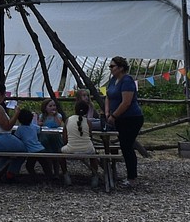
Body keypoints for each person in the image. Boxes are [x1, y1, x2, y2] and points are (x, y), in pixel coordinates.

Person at [105, 56, 144, 188]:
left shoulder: (127, 80)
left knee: (127, 147)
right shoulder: (113, 80)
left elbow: (126, 102)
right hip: (119, 118)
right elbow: (108, 96)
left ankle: (132, 177)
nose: (110, 69)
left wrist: (114, 115)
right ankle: (130, 176)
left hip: (131, 118)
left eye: (112, 66)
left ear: (121, 68)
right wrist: (107, 112)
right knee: (124, 146)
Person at [60, 98, 101, 187]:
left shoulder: (68, 120)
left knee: (59, 153)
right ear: (86, 111)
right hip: (87, 149)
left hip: (71, 149)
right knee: (93, 153)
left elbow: (65, 138)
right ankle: (94, 176)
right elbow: (90, 136)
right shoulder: (88, 122)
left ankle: (66, 175)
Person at [14, 108, 52, 176]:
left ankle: (34, 177)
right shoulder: (34, 127)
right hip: (40, 148)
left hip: (31, 151)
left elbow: (16, 138)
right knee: (46, 165)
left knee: (29, 166)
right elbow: (39, 130)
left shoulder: (20, 129)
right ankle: (50, 177)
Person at [37, 99, 65, 177]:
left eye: (54, 105)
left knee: (56, 157)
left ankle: (56, 173)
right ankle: (49, 173)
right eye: (50, 106)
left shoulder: (58, 115)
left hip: (55, 137)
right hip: (46, 137)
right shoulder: (42, 116)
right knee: (48, 156)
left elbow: (59, 124)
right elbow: (39, 123)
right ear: (45, 108)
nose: (53, 107)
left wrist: (55, 115)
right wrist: (40, 123)